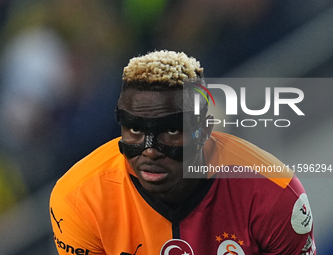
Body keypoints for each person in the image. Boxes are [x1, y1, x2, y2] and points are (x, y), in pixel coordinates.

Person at [49, 50, 316, 255]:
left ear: (204, 130)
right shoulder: (78, 198)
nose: (150, 150)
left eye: (172, 131)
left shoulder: (275, 193)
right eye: (135, 130)